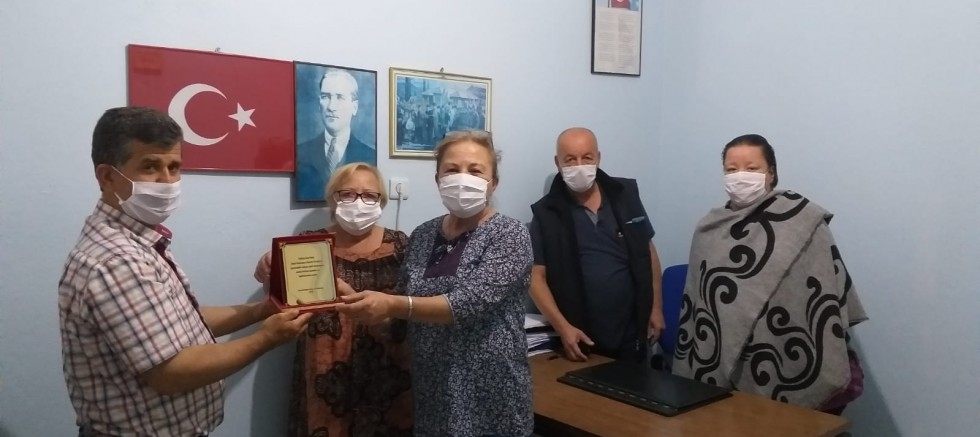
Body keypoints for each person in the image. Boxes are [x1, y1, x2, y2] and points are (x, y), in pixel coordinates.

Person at [58, 107, 312, 436]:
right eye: (150, 166)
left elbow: (179, 322)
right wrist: (266, 338)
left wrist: (262, 310)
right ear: (107, 176)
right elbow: (170, 372)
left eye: (174, 167)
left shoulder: (140, 240)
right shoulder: (116, 260)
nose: (167, 181)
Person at [335, 130, 533, 436]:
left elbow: (467, 304)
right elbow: (401, 316)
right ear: (438, 178)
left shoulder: (510, 235)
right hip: (433, 391)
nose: (462, 178)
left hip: (490, 391)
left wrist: (392, 304)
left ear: (493, 182)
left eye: (475, 170)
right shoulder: (424, 235)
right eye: (451, 169)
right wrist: (363, 308)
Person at [673, 134, 868, 413]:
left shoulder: (802, 220)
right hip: (724, 361)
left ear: (771, 173)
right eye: (731, 169)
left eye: (751, 168)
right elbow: (702, 304)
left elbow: (822, 288)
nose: (740, 176)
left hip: (787, 350)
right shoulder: (710, 228)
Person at [253, 163, 413, 436]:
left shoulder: (401, 245)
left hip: (389, 366)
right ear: (333, 199)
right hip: (325, 370)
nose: (358, 202)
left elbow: (414, 309)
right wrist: (269, 270)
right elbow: (283, 302)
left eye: (369, 195)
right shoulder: (307, 245)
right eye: (347, 194)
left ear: (381, 201)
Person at [529, 127, 665, 362]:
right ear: (558, 163)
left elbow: (647, 252)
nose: (579, 166)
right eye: (570, 160)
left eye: (587, 157)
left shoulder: (625, 195)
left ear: (598, 158)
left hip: (632, 330)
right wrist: (563, 328)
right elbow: (535, 277)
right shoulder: (546, 213)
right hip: (580, 337)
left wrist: (655, 308)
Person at [296, 68, 376, 201]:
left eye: (340, 97)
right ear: (319, 103)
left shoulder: (369, 156)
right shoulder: (301, 152)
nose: (331, 107)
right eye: (325, 97)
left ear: (354, 107)